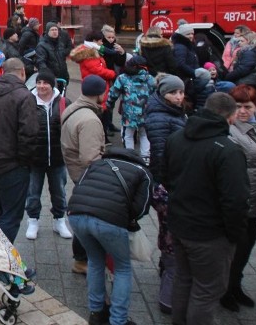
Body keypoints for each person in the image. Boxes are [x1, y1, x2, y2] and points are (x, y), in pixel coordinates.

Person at [163, 92, 249, 325]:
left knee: (184, 279)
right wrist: (233, 234)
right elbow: (236, 200)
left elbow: (166, 177)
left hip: (180, 225)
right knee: (207, 289)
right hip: (210, 234)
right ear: (230, 118)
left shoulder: (177, 137)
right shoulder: (228, 151)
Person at [68, 148, 153, 325]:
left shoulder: (97, 164)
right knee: (122, 268)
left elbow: (79, 187)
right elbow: (142, 208)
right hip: (110, 221)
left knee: (94, 261)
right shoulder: (142, 172)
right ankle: (118, 320)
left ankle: (96, 313)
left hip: (76, 214)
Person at [220, 85, 256, 312]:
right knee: (235, 250)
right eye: (238, 106)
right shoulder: (229, 130)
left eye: (248, 106)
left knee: (247, 247)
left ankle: (236, 286)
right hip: (239, 200)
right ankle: (225, 290)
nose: (243, 111)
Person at [0, 57, 37, 243]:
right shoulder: (24, 97)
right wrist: (23, 162)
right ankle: (0, 259)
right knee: (11, 216)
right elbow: (29, 133)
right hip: (12, 165)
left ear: (2, 72)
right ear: (22, 73)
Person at [144, 74, 187, 314]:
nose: (179, 97)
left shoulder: (172, 112)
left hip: (170, 181)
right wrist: (167, 183)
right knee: (170, 232)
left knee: (167, 231)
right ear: (163, 94)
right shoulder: (160, 116)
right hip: (167, 184)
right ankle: (168, 293)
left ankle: (166, 267)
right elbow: (160, 154)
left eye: (181, 92)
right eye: (174, 93)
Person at [60, 74, 108, 275]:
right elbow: (90, 158)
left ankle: (81, 258)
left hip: (75, 169)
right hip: (86, 175)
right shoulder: (90, 119)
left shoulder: (73, 108)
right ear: (100, 94)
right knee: (87, 216)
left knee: (82, 212)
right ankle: (82, 259)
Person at [24, 69, 72, 241]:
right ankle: (33, 220)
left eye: (45, 83)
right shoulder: (28, 102)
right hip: (35, 157)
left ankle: (59, 220)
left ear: (52, 85)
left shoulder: (64, 103)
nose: (41, 86)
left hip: (58, 157)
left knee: (59, 191)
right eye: (39, 82)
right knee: (33, 192)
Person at [106, 56, 156, 163]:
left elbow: (113, 93)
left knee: (128, 135)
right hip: (146, 113)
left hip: (129, 114)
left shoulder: (123, 78)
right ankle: (146, 157)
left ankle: (130, 157)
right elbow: (155, 94)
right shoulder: (150, 79)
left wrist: (108, 105)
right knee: (144, 134)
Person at [37, 22, 71, 87]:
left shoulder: (60, 44)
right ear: (47, 32)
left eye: (56, 30)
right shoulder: (42, 46)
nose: (54, 32)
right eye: (52, 30)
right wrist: (48, 77)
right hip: (51, 80)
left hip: (63, 78)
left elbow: (62, 60)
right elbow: (41, 63)